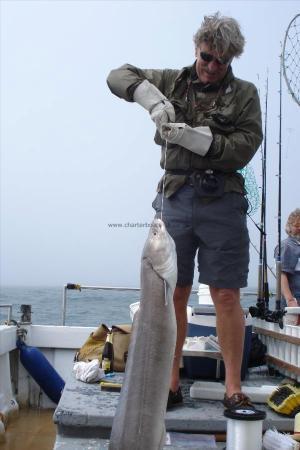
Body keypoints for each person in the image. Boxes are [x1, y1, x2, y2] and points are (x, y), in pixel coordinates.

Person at [107, 12, 263, 411]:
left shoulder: (244, 94)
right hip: (175, 199)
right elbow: (118, 75)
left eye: (222, 61)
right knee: (171, 293)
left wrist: (202, 142)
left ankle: (233, 388)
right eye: (207, 56)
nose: (212, 67)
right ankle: (170, 383)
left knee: (226, 294)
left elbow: (247, 144)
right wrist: (150, 99)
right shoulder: (171, 81)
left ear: (232, 61)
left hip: (222, 202)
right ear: (197, 48)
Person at [277, 208, 300, 307]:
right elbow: (282, 274)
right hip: (295, 302)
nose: (299, 228)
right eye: (297, 225)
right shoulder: (286, 246)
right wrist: (290, 300)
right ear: (290, 226)